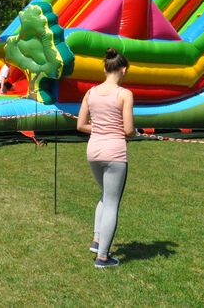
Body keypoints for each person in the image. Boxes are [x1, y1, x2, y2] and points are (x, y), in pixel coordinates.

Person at [76, 47, 136, 269]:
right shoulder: (124, 94)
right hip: (114, 152)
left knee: (105, 195)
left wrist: (101, 128)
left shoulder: (90, 93)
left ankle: (97, 239)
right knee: (112, 202)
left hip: (94, 151)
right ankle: (102, 257)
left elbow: (81, 125)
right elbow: (128, 129)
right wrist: (132, 132)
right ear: (124, 70)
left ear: (104, 69)